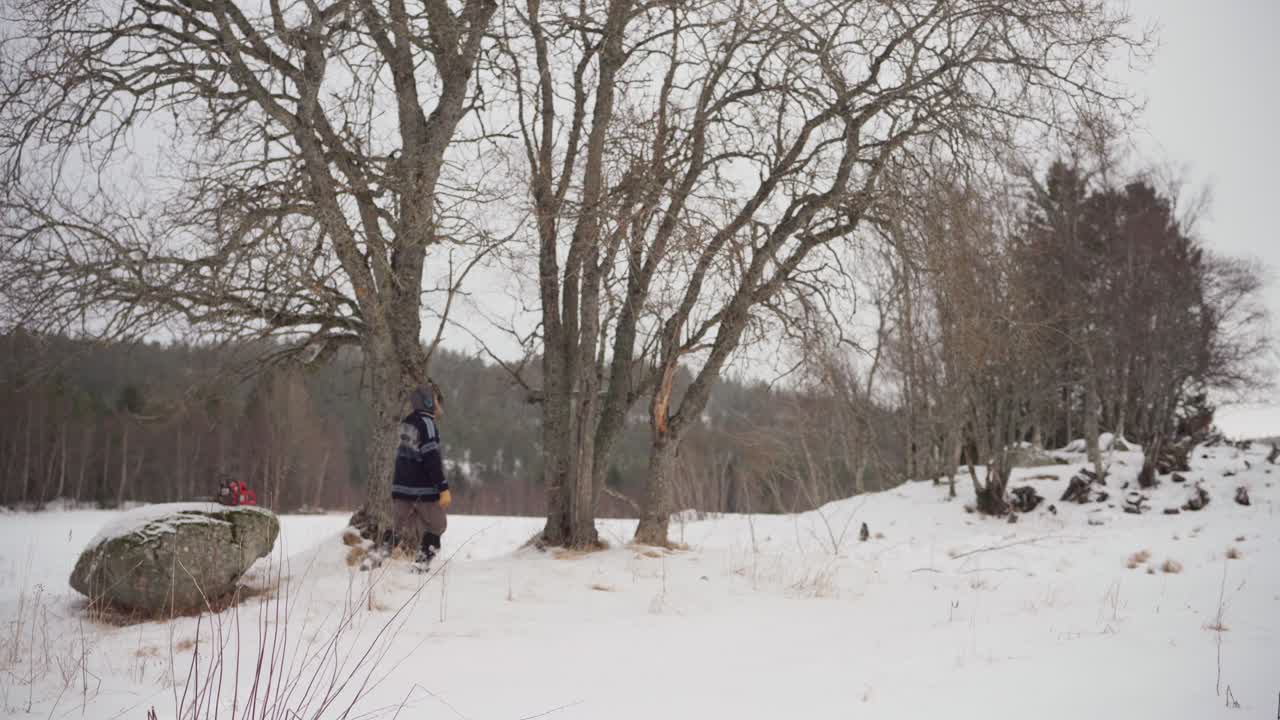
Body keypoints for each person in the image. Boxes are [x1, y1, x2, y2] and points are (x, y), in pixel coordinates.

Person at [390, 380, 451, 572]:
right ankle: (422, 562)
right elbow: (431, 457)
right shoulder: (427, 423)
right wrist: (442, 487)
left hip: (402, 487)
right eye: (437, 401)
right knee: (438, 525)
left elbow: (403, 455)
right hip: (423, 488)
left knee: (397, 526)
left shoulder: (407, 422)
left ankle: (377, 557)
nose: (440, 406)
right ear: (428, 403)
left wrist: (397, 487)